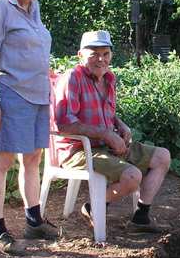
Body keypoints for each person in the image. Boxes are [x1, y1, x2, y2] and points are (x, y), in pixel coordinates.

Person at [0, 0, 58, 255]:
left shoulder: (33, 8)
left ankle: (33, 221)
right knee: (2, 160)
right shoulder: (0, 8)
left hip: (37, 95)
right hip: (10, 94)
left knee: (33, 159)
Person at [54, 30, 171, 233]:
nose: (101, 59)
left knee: (162, 156)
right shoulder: (72, 78)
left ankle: (140, 217)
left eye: (105, 54)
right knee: (132, 177)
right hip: (78, 149)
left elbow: (107, 114)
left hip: (106, 145)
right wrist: (106, 134)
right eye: (94, 54)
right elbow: (64, 124)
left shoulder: (109, 79)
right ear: (80, 55)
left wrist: (120, 124)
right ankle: (93, 206)